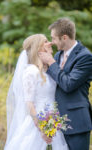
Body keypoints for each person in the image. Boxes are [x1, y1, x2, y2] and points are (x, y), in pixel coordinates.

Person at [4, 34, 69, 150]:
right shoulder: (31, 71)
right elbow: (29, 103)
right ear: (38, 48)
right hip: (38, 123)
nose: (50, 43)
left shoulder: (47, 71)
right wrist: (42, 128)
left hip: (53, 122)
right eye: (45, 41)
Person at [39, 18, 92, 150]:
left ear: (64, 37)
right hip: (57, 123)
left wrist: (51, 62)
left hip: (77, 122)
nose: (52, 42)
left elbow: (68, 84)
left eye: (54, 38)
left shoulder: (85, 57)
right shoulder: (57, 56)